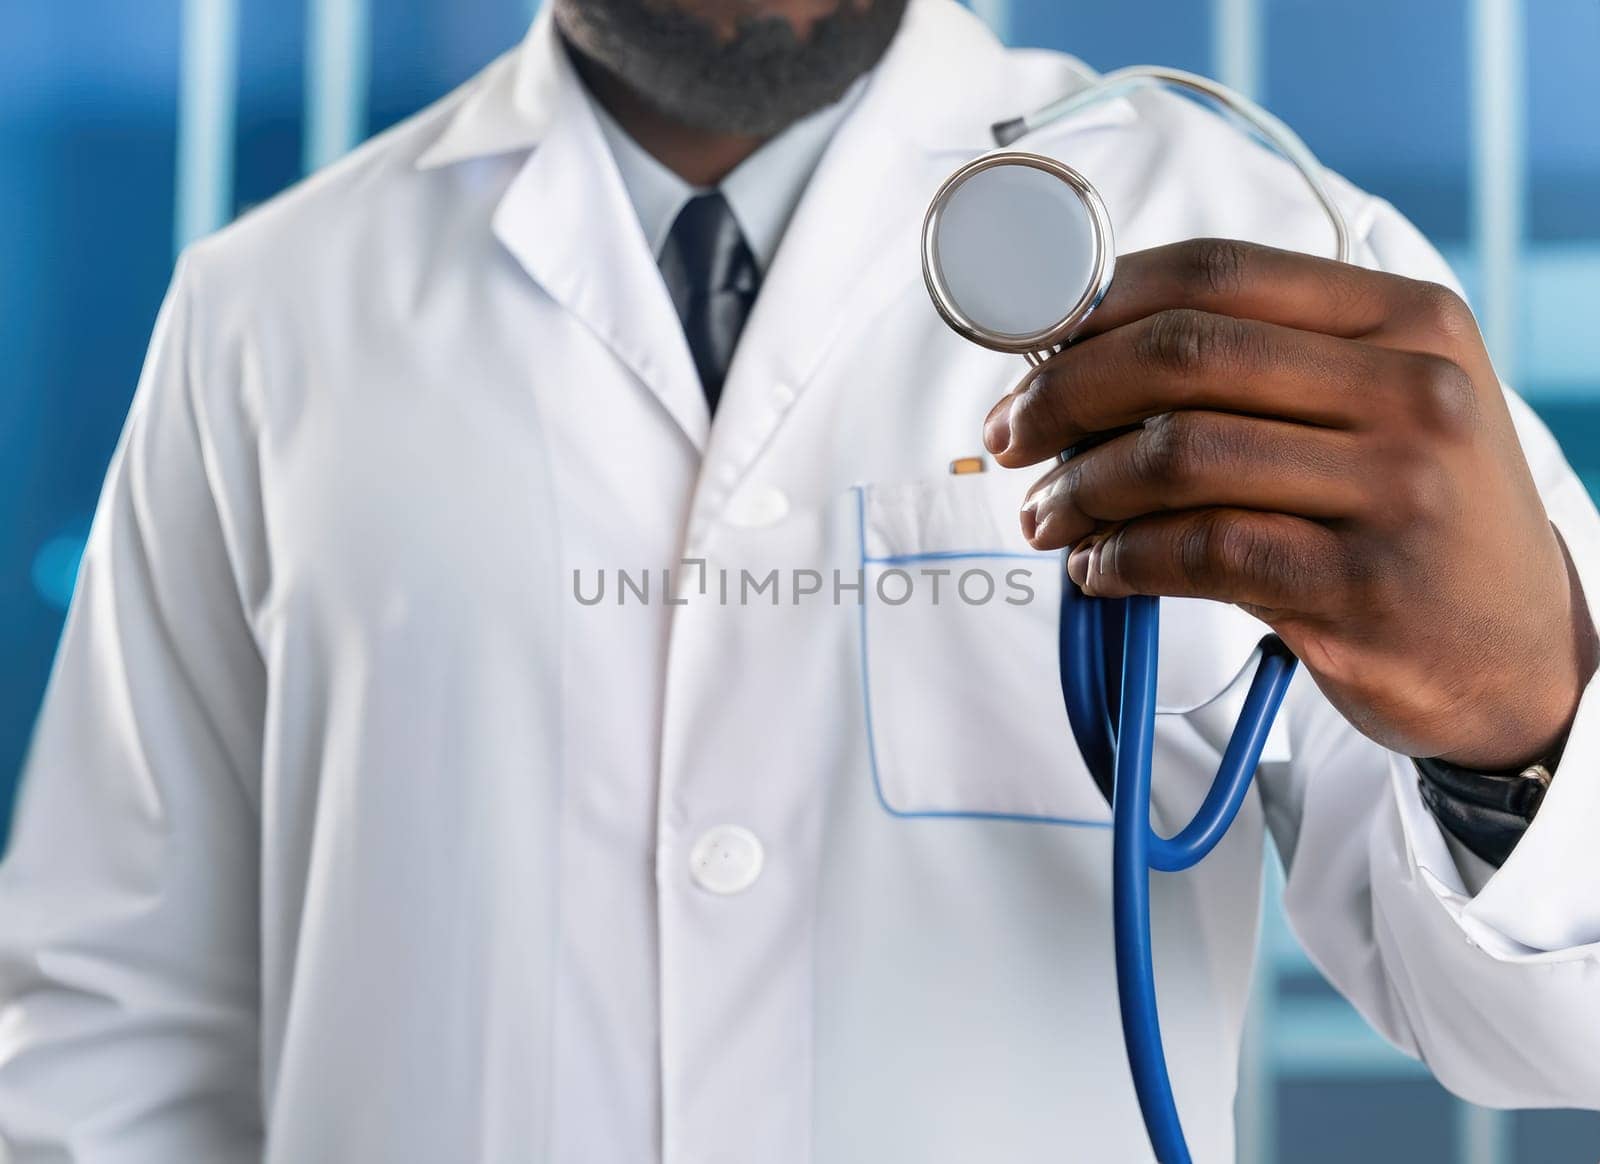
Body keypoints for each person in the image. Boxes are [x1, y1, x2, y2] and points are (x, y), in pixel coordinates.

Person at [2, 0, 1598, 1159]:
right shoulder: (266, 310)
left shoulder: (1266, 239)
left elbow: (1551, 1030)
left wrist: (1522, 727)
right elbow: (112, 1037)